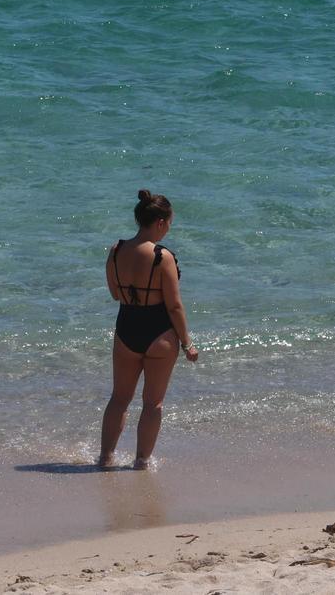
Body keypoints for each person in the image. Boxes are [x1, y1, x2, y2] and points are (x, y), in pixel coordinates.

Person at [99, 190, 198, 470]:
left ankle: (105, 458)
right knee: (152, 404)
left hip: (126, 329)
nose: (168, 229)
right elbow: (175, 306)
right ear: (160, 222)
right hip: (160, 335)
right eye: (169, 223)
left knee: (119, 399)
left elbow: (115, 294)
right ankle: (141, 462)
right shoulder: (161, 256)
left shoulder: (117, 250)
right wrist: (188, 343)